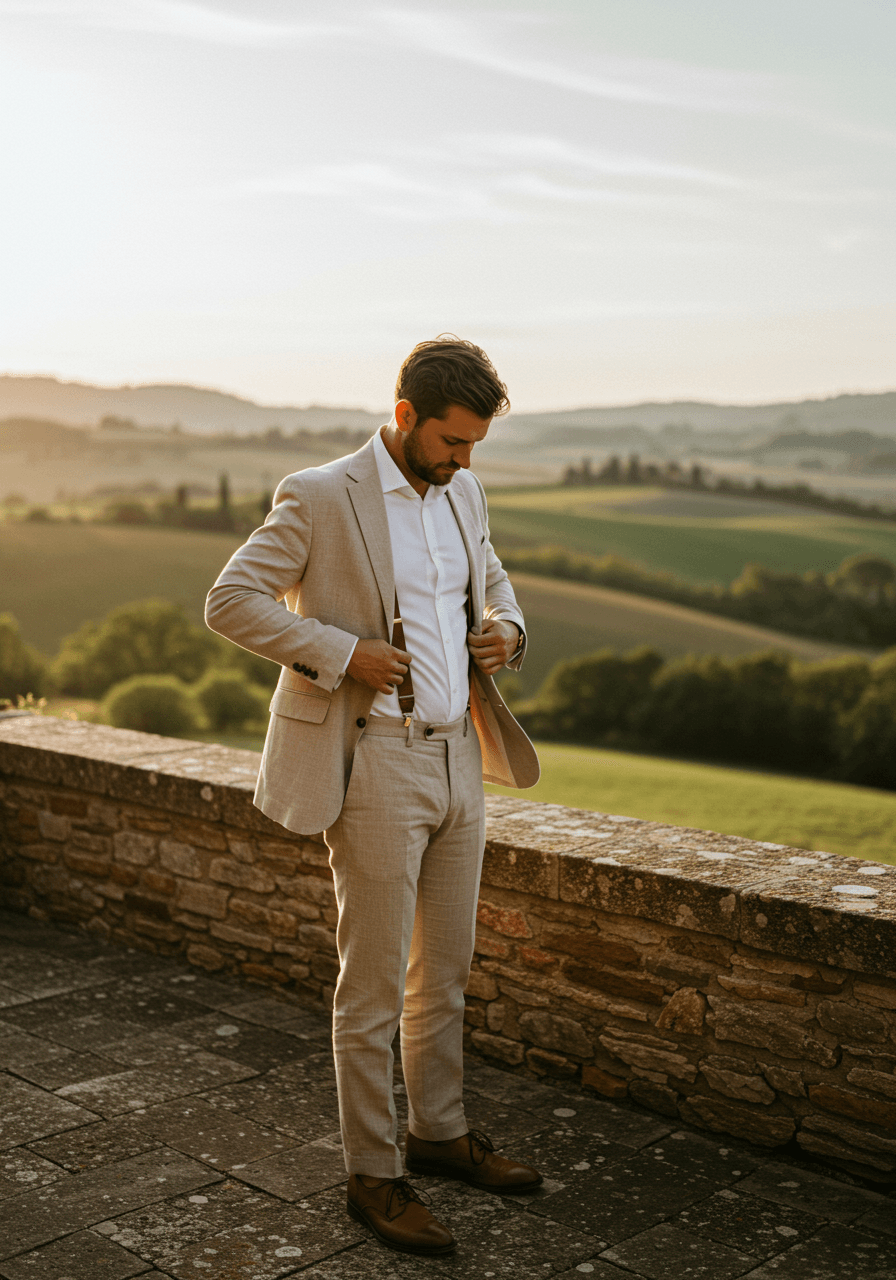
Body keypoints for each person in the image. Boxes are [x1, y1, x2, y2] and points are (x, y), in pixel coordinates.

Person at [206, 336, 542, 1255]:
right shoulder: (319, 494)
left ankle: (438, 1136)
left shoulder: (464, 491)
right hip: (374, 759)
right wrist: (340, 651)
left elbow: (494, 576)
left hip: (460, 759)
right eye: (453, 441)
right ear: (405, 418)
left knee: (448, 974)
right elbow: (230, 600)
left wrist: (507, 628)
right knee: (373, 984)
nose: (466, 460)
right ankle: (374, 1173)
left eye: (475, 445)